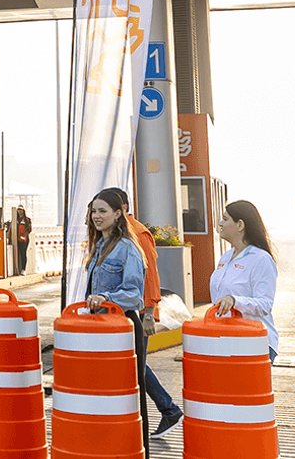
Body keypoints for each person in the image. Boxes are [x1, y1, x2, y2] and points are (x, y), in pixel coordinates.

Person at [82, 188, 157, 453]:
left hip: (123, 326)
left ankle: (139, 449)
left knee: (131, 394)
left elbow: (133, 293)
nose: (96, 216)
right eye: (93, 211)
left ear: (118, 213)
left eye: (102, 211)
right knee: (105, 395)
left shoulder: (128, 248)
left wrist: (105, 297)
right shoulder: (99, 245)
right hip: (100, 328)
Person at [108, 187, 183, 439]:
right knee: (132, 365)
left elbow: (150, 276)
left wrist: (150, 312)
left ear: (123, 209)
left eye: (105, 210)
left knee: (135, 366)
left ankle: (168, 410)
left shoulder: (139, 234)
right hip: (117, 314)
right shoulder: (113, 235)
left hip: (137, 313)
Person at [211, 200, 279, 362]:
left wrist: (235, 301)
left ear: (240, 225)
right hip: (228, 339)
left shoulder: (261, 259)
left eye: (225, 219)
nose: (220, 223)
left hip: (254, 342)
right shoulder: (226, 257)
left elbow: (265, 304)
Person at [16, 206, 32, 274]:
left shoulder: (27, 219)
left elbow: (29, 229)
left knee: (23, 253)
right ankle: (18, 269)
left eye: (21, 210)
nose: (20, 211)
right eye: (18, 210)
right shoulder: (15, 219)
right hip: (16, 239)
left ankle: (23, 269)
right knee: (18, 254)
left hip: (24, 240)